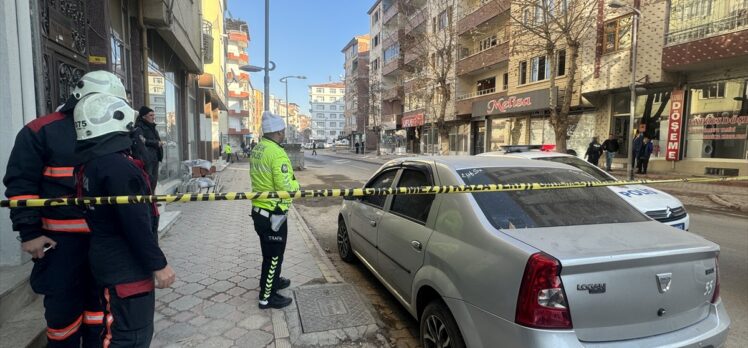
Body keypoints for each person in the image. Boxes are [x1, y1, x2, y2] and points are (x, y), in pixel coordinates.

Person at [3, 70, 128, 347]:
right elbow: (21, 184)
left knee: (100, 308)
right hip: (60, 244)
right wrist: (29, 232)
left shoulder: (115, 129)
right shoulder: (40, 131)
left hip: (103, 241)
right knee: (62, 311)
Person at [74, 87, 175, 347]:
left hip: (111, 261)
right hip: (127, 269)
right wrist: (159, 264)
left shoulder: (93, 162)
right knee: (131, 337)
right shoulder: (118, 168)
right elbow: (135, 224)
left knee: (120, 331)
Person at [249, 111, 300, 309]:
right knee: (274, 257)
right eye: (284, 130)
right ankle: (267, 297)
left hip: (260, 211)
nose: (284, 133)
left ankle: (273, 281)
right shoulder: (277, 152)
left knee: (269, 254)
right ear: (279, 132)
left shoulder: (258, 148)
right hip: (274, 214)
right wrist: (297, 188)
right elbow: (286, 188)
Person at [135, 106, 163, 188]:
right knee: (148, 182)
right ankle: (148, 200)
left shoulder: (152, 127)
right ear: (144, 116)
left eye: (154, 115)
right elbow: (142, 140)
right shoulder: (139, 127)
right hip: (147, 159)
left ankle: (152, 200)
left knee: (153, 182)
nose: (153, 118)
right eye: (151, 115)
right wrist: (156, 143)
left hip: (155, 158)